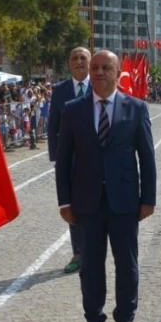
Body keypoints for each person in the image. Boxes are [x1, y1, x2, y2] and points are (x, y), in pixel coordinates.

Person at [56, 50, 157, 322]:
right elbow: (64, 161)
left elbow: (147, 158)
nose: (99, 72)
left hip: (125, 201)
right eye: (95, 67)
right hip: (86, 202)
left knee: (127, 264)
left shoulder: (136, 108)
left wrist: (148, 198)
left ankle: (126, 321)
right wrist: (64, 202)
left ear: (116, 72)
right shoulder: (73, 110)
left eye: (106, 68)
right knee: (91, 265)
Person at [48, 46, 91, 274]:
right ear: (69, 63)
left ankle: (97, 250)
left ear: (90, 61)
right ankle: (77, 253)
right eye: (74, 58)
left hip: (97, 161)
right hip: (71, 162)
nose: (79, 61)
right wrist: (57, 159)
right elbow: (52, 125)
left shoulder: (100, 86)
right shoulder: (60, 90)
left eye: (83, 57)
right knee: (72, 207)